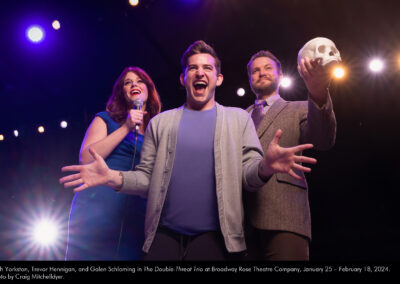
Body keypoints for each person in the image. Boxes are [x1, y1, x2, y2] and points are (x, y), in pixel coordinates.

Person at [60, 40, 317, 261]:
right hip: (163, 237)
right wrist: (111, 177)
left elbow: (248, 177)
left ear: (218, 78)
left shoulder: (238, 119)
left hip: (215, 239)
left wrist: (265, 167)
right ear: (184, 78)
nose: (199, 73)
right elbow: (146, 178)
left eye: (207, 68)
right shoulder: (160, 123)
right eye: (193, 68)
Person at [244, 50, 337, 260]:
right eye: (255, 71)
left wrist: (318, 94)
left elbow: (323, 140)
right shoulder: (240, 116)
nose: (261, 73)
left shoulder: (299, 108)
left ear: (281, 76)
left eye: (268, 68)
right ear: (250, 80)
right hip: (242, 226)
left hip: (285, 217)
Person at [65, 67, 162, 260]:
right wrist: (126, 127)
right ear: (121, 92)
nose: (134, 84)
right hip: (99, 206)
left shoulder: (157, 129)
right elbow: (86, 158)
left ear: (149, 90)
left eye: (139, 81)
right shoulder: (106, 119)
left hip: (137, 212)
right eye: (128, 82)